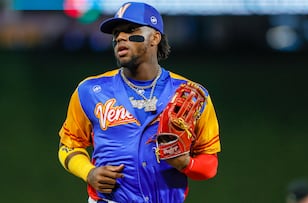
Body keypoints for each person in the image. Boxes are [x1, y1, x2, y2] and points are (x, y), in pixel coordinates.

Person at [57, 2, 221, 203]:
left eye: (131, 30)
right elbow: (68, 146)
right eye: (116, 33)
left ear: (155, 37)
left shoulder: (190, 95)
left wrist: (185, 163)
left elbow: (210, 164)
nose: (120, 37)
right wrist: (89, 173)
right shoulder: (90, 91)